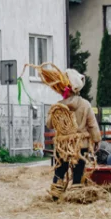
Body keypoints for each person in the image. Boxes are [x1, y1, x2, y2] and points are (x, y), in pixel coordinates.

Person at [33, 64, 101, 201]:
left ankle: (56, 194)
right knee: (78, 170)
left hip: (63, 145)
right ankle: (75, 196)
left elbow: (49, 124)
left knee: (60, 169)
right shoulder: (85, 104)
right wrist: (96, 140)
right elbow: (92, 125)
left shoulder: (58, 105)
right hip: (80, 145)